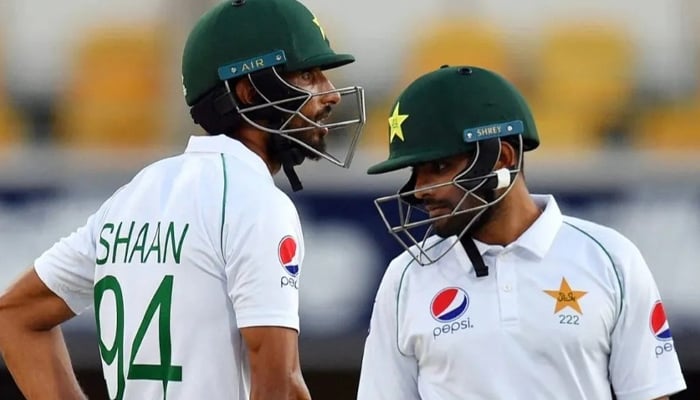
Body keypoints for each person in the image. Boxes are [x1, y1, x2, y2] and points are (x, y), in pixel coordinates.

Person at [0, 0, 365, 399]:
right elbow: (279, 383)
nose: (330, 94)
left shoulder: (132, 197)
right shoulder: (257, 203)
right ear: (247, 90)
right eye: (309, 75)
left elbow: (16, 315)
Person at [356, 65, 685, 400]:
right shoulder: (406, 277)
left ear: (502, 159)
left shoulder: (612, 258)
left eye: (438, 167)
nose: (421, 189)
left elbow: (650, 394)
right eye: (416, 171)